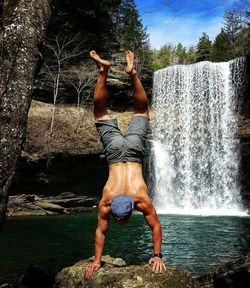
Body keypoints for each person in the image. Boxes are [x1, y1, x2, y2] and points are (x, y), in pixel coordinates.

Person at [85, 50, 166, 279]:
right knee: (101, 113)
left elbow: (101, 232)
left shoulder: (113, 202)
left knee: (138, 112)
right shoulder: (134, 200)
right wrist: (157, 255)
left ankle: (106, 71)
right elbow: (156, 227)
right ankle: (120, 73)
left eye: (120, 220)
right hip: (116, 153)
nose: (120, 222)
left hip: (130, 153)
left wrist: (97, 262)